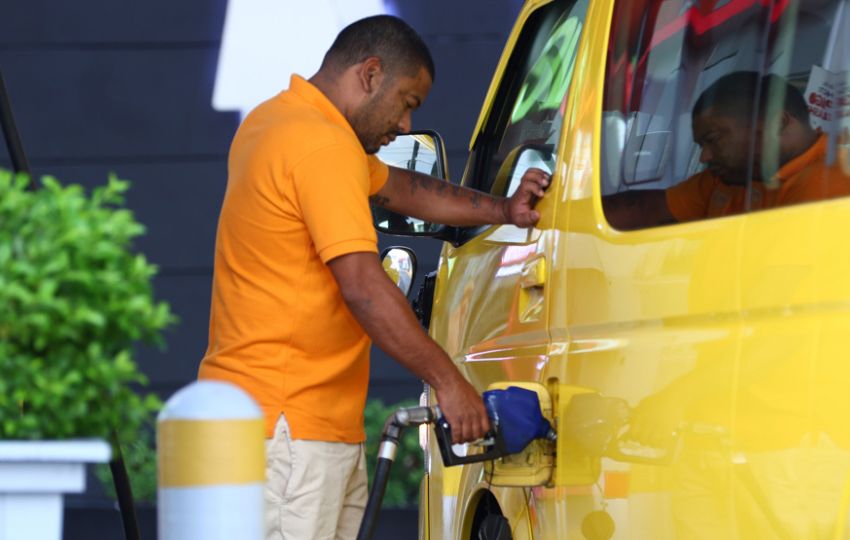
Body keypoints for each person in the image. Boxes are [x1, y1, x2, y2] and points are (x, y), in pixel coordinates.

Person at [197, 15, 550, 540]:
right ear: (370, 74)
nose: (405, 126)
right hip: (288, 428)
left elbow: (402, 190)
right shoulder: (323, 145)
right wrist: (449, 383)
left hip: (271, 422)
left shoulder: (274, 121)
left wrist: (504, 209)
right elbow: (363, 287)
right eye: (406, 102)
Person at [604, 71, 850, 230]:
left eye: (713, 139)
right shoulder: (732, 177)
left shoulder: (834, 183)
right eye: (702, 145)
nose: (705, 157)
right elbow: (646, 209)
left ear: (777, 123)